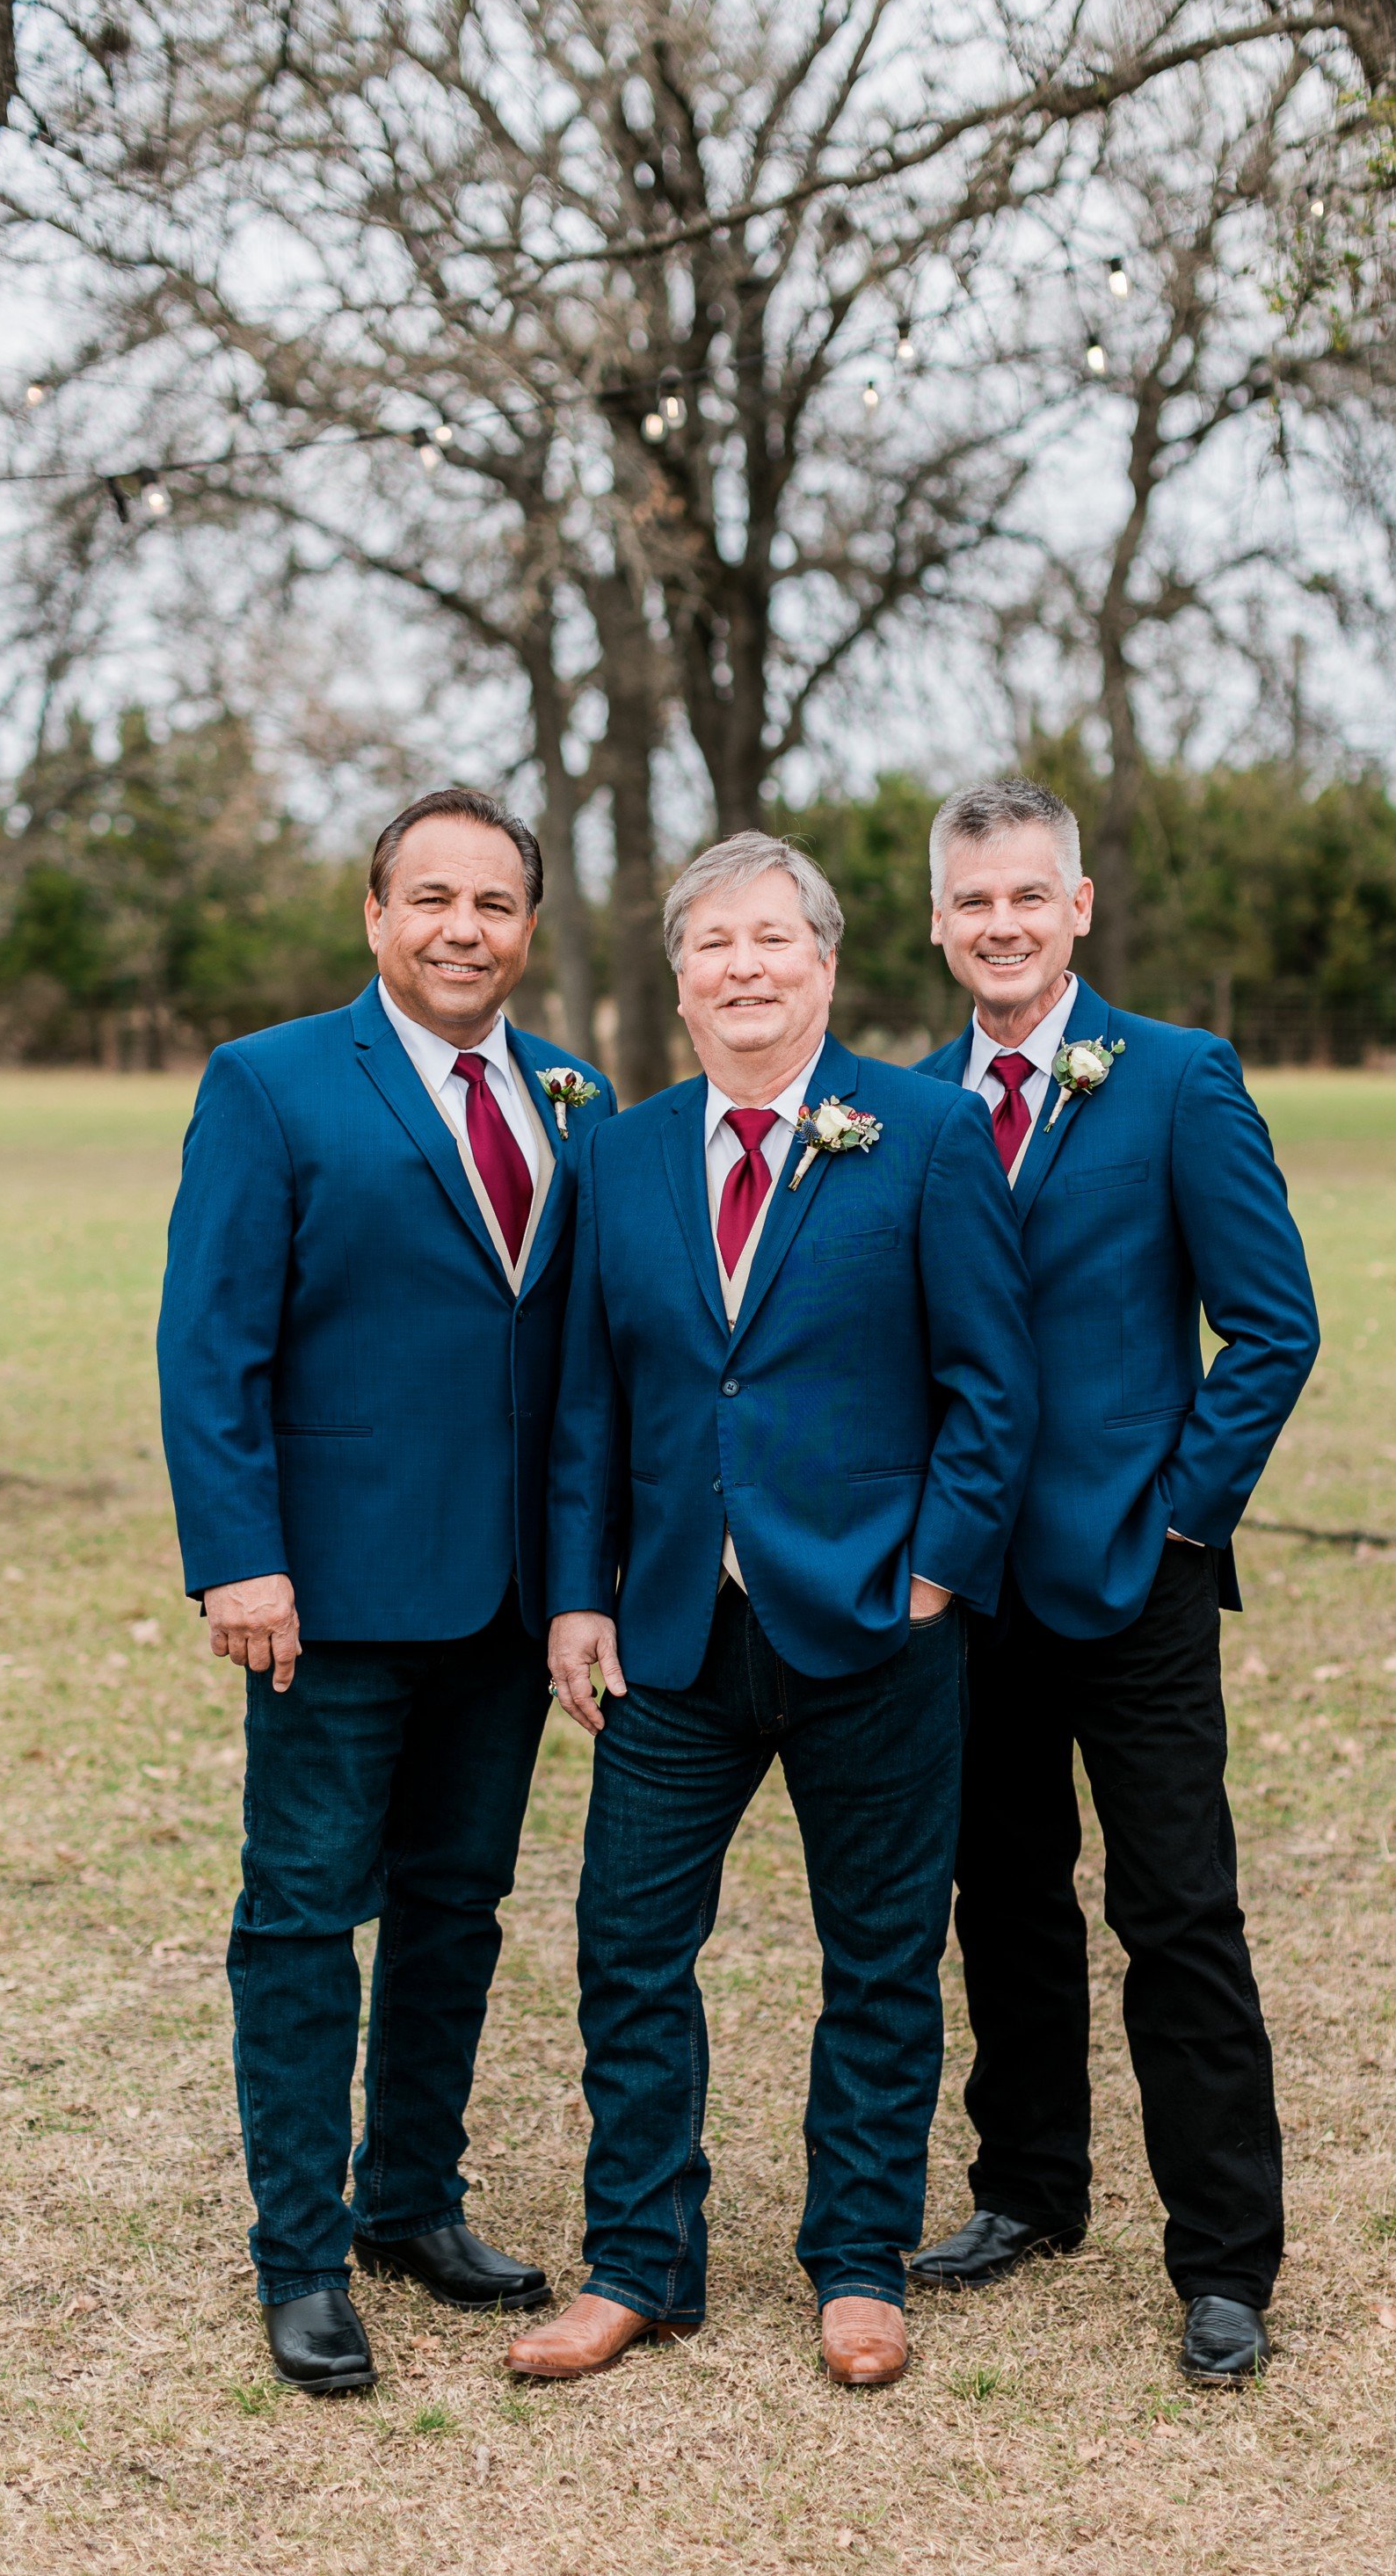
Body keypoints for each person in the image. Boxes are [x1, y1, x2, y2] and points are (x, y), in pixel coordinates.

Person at [504, 832, 1037, 2391]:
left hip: (877, 1621)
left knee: (878, 1952)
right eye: (713, 943)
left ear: (823, 962)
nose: (744, 967)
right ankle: (638, 2263)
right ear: (680, 976)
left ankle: (859, 2259)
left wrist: (933, 1571)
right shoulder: (622, 1153)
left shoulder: (931, 1138)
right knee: (626, 1943)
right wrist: (576, 1601)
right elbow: (591, 1399)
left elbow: (992, 1387)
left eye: (772, 940)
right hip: (670, 1628)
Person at [156, 786, 614, 2394]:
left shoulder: (576, 1092)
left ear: (529, 931)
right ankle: (299, 2257)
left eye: (493, 904)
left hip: (505, 1603)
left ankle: (409, 2201)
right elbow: (209, 1341)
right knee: (299, 1918)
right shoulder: (271, 1083)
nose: (461, 929)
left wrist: (580, 1578)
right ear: (375, 915)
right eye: (431, 899)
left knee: (455, 1909)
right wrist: (239, 1555)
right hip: (327, 1595)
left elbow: (578, 1364)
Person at [910, 777, 1319, 2382]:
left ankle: (1224, 2259)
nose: (1001, 925)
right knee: (999, 1901)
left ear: (1077, 908)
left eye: (1029, 897)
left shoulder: (1177, 1081)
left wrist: (1182, 1522)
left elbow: (1271, 1328)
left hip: (1134, 1577)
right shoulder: (910, 1105)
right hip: (967, 1588)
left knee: (1177, 1915)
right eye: (972, 901)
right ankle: (1027, 2186)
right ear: (939, 923)